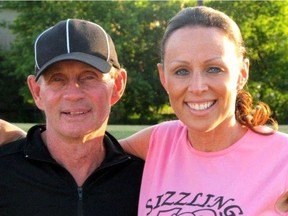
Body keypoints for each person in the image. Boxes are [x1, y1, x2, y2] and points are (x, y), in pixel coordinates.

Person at [120, 6, 288, 215]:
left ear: (242, 74)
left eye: (214, 69)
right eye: (181, 71)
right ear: (164, 78)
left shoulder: (283, 159)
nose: (197, 87)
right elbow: (84, 156)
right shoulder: (157, 142)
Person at [0, 19, 143, 216]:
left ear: (118, 85)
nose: (73, 94)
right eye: (57, 79)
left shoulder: (146, 180)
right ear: (36, 92)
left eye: (89, 76)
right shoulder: (5, 171)